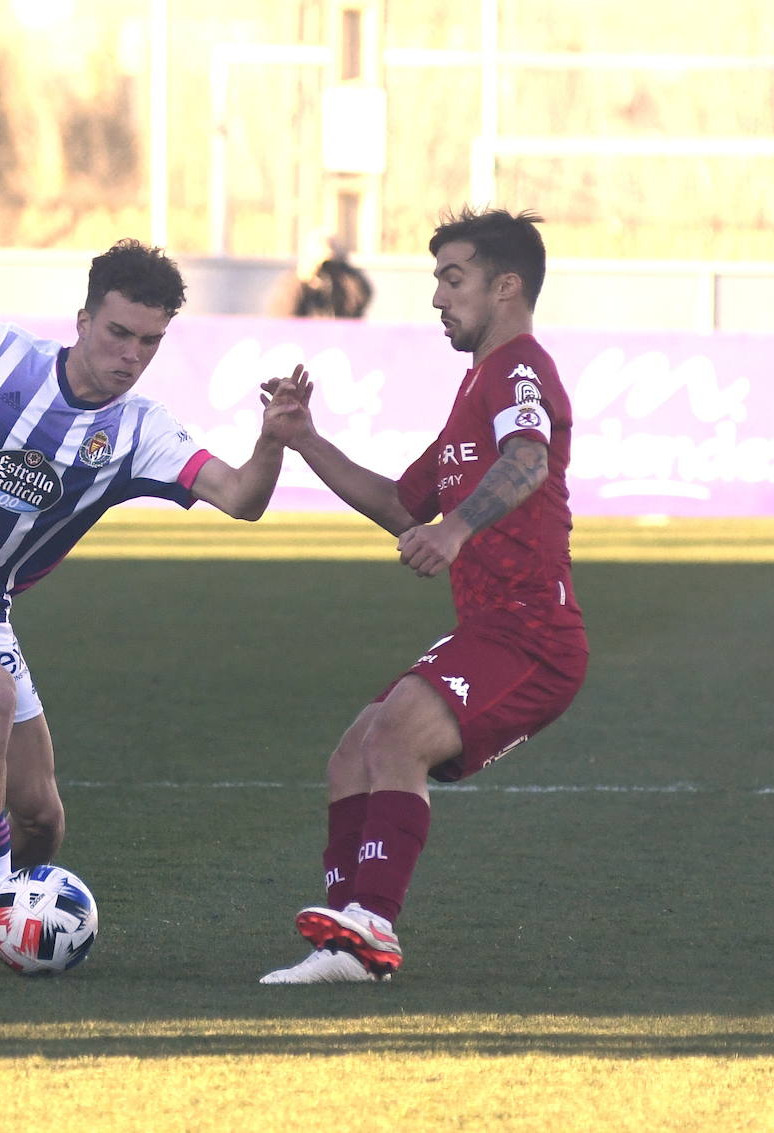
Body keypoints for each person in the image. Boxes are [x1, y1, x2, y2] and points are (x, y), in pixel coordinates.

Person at [0, 189, 307, 956]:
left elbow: (241, 498)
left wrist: (274, 440)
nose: (131, 354)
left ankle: (21, 931)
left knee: (43, 817)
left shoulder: (139, 430)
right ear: (83, 321)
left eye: (149, 342)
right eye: (119, 332)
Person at [258, 207, 588, 984]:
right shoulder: (476, 386)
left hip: (533, 637)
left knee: (398, 732)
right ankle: (341, 942)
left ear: (505, 287)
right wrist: (305, 439)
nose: (438, 297)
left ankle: (371, 925)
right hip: (492, 627)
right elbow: (403, 505)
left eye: (452, 278)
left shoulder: (519, 370)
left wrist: (458, 530)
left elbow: (529, 457)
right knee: (356, 750)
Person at [266, 230, 374, 319]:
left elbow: (360, 298)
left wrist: (340, 265)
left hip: (342, 333)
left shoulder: (345, 276)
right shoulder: (293, 280)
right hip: (306, 335)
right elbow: (283, 313)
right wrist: (304, 280)